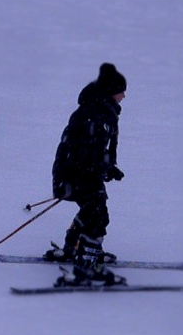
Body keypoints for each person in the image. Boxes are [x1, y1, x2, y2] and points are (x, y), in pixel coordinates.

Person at [44, 63, 127, 286]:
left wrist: (108, 166)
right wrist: (100, 166)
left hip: (79, 172)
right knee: (96, 213)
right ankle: (87, 265)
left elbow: (93, 149)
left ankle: (76, 248)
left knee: (94, 209)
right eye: (121, 91)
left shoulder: (99, 110)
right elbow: (84, 150)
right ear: (111, 91)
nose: (124, 96)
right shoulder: (96, 113)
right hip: (77, 174)